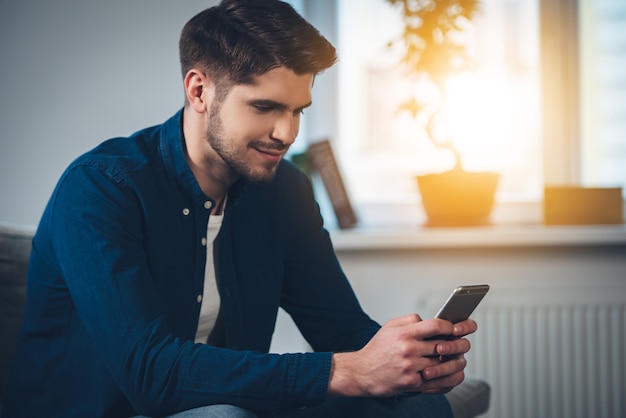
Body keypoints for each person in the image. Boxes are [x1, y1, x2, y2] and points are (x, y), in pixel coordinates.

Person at [3, 1, 477, 417]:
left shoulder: (283, 190)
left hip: (229, 404)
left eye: (298, 111)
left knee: (413, 401)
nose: (287, 133)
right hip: (111, 410)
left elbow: (338, 326)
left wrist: (401, 357)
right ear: (199, 91)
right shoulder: (101, 188)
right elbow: (150, 374)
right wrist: (347, 371)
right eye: (265, 107)